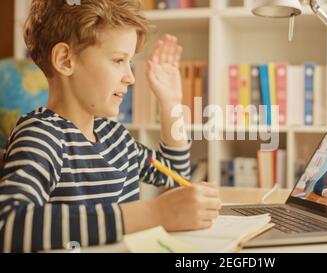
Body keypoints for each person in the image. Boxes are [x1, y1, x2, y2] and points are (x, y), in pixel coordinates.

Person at [0, 0, 221, 253]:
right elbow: (8, 225)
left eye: (130, 62)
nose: (131, 77)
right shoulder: (41, 135)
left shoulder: (116, 137)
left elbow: (176, 175)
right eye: (118, 60)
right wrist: (152, 213)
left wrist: (171, 103)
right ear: (65, 60)